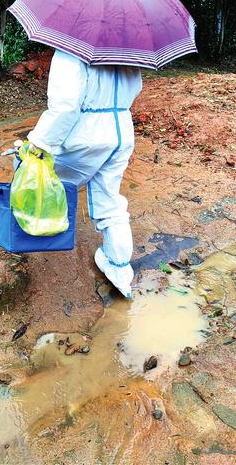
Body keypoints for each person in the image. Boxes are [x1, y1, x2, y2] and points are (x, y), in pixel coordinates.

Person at [27, 50, 142, 298]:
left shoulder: (71, 49)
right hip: (121, 131)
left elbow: (66, 107)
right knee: (110, 199)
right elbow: (135, 89)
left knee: (37, 173)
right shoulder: (129, 51)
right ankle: (119, 269)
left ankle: (31, 229)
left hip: (85, 132)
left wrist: (38, 142)